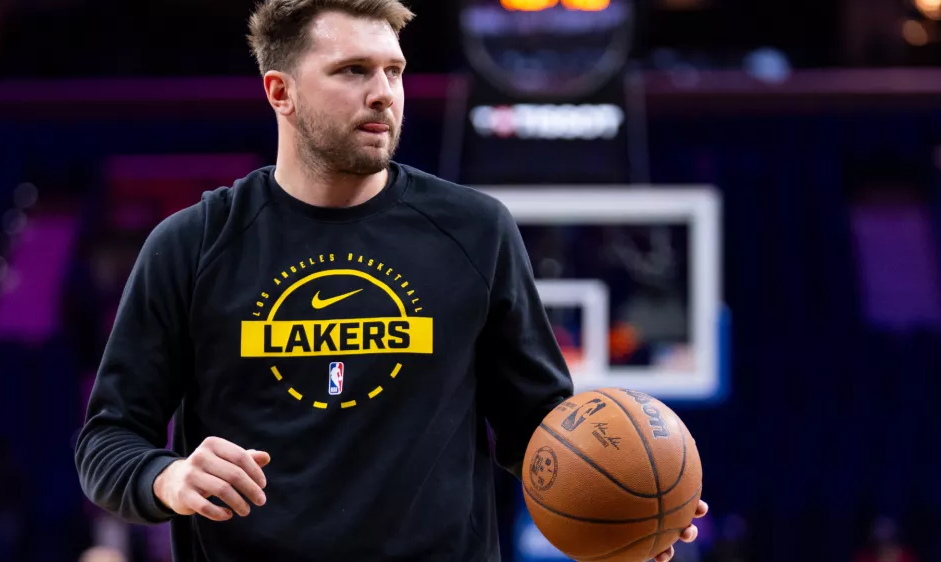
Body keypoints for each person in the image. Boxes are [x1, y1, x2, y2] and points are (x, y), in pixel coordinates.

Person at [73, 1, 708, 561]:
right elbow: (108, 440)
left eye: (394, 71)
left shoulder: (475, 230)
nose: (383, 93)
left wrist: (635, 502)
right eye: (353, 70)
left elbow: (539, 433)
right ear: (279, 91)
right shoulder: (192, 244)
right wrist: (168, 478)